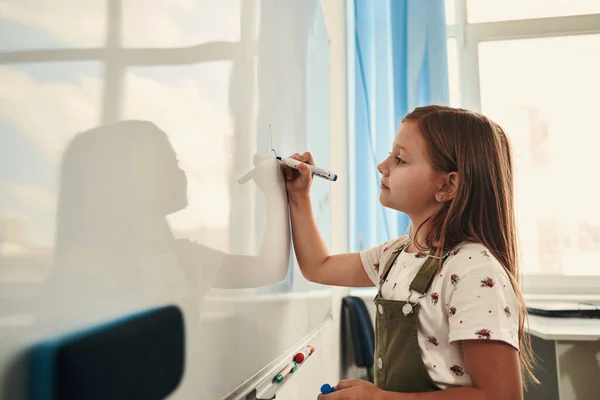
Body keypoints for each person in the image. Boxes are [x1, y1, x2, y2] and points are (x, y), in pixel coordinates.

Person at [283, 105, 536, 399]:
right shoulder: (395, 255)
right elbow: (318, 266)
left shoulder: (475, 271)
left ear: (448, 185)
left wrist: (378, 397)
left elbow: (500, 397)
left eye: (400, 159)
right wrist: (299, 196)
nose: (382, 166)